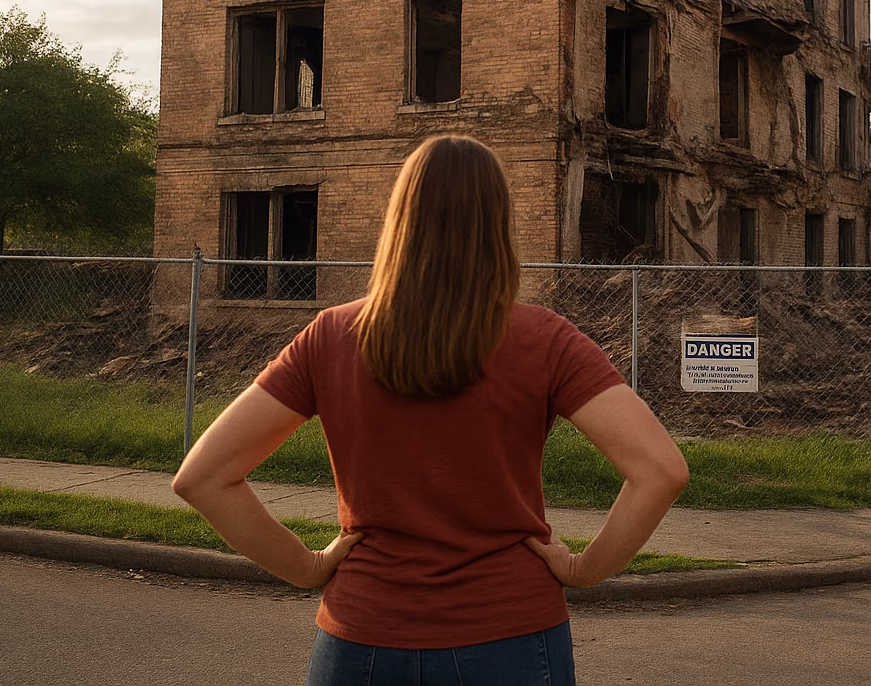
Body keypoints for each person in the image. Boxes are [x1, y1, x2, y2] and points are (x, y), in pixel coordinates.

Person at [173, 136, 689, 685]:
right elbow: (661, 470)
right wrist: (584, 570)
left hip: (364, 638)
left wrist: (308, 567)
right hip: (509, 636)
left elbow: (204, 478)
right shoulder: (545, 339)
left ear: (401, 218)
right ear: (498, 224)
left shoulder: (330, 337)